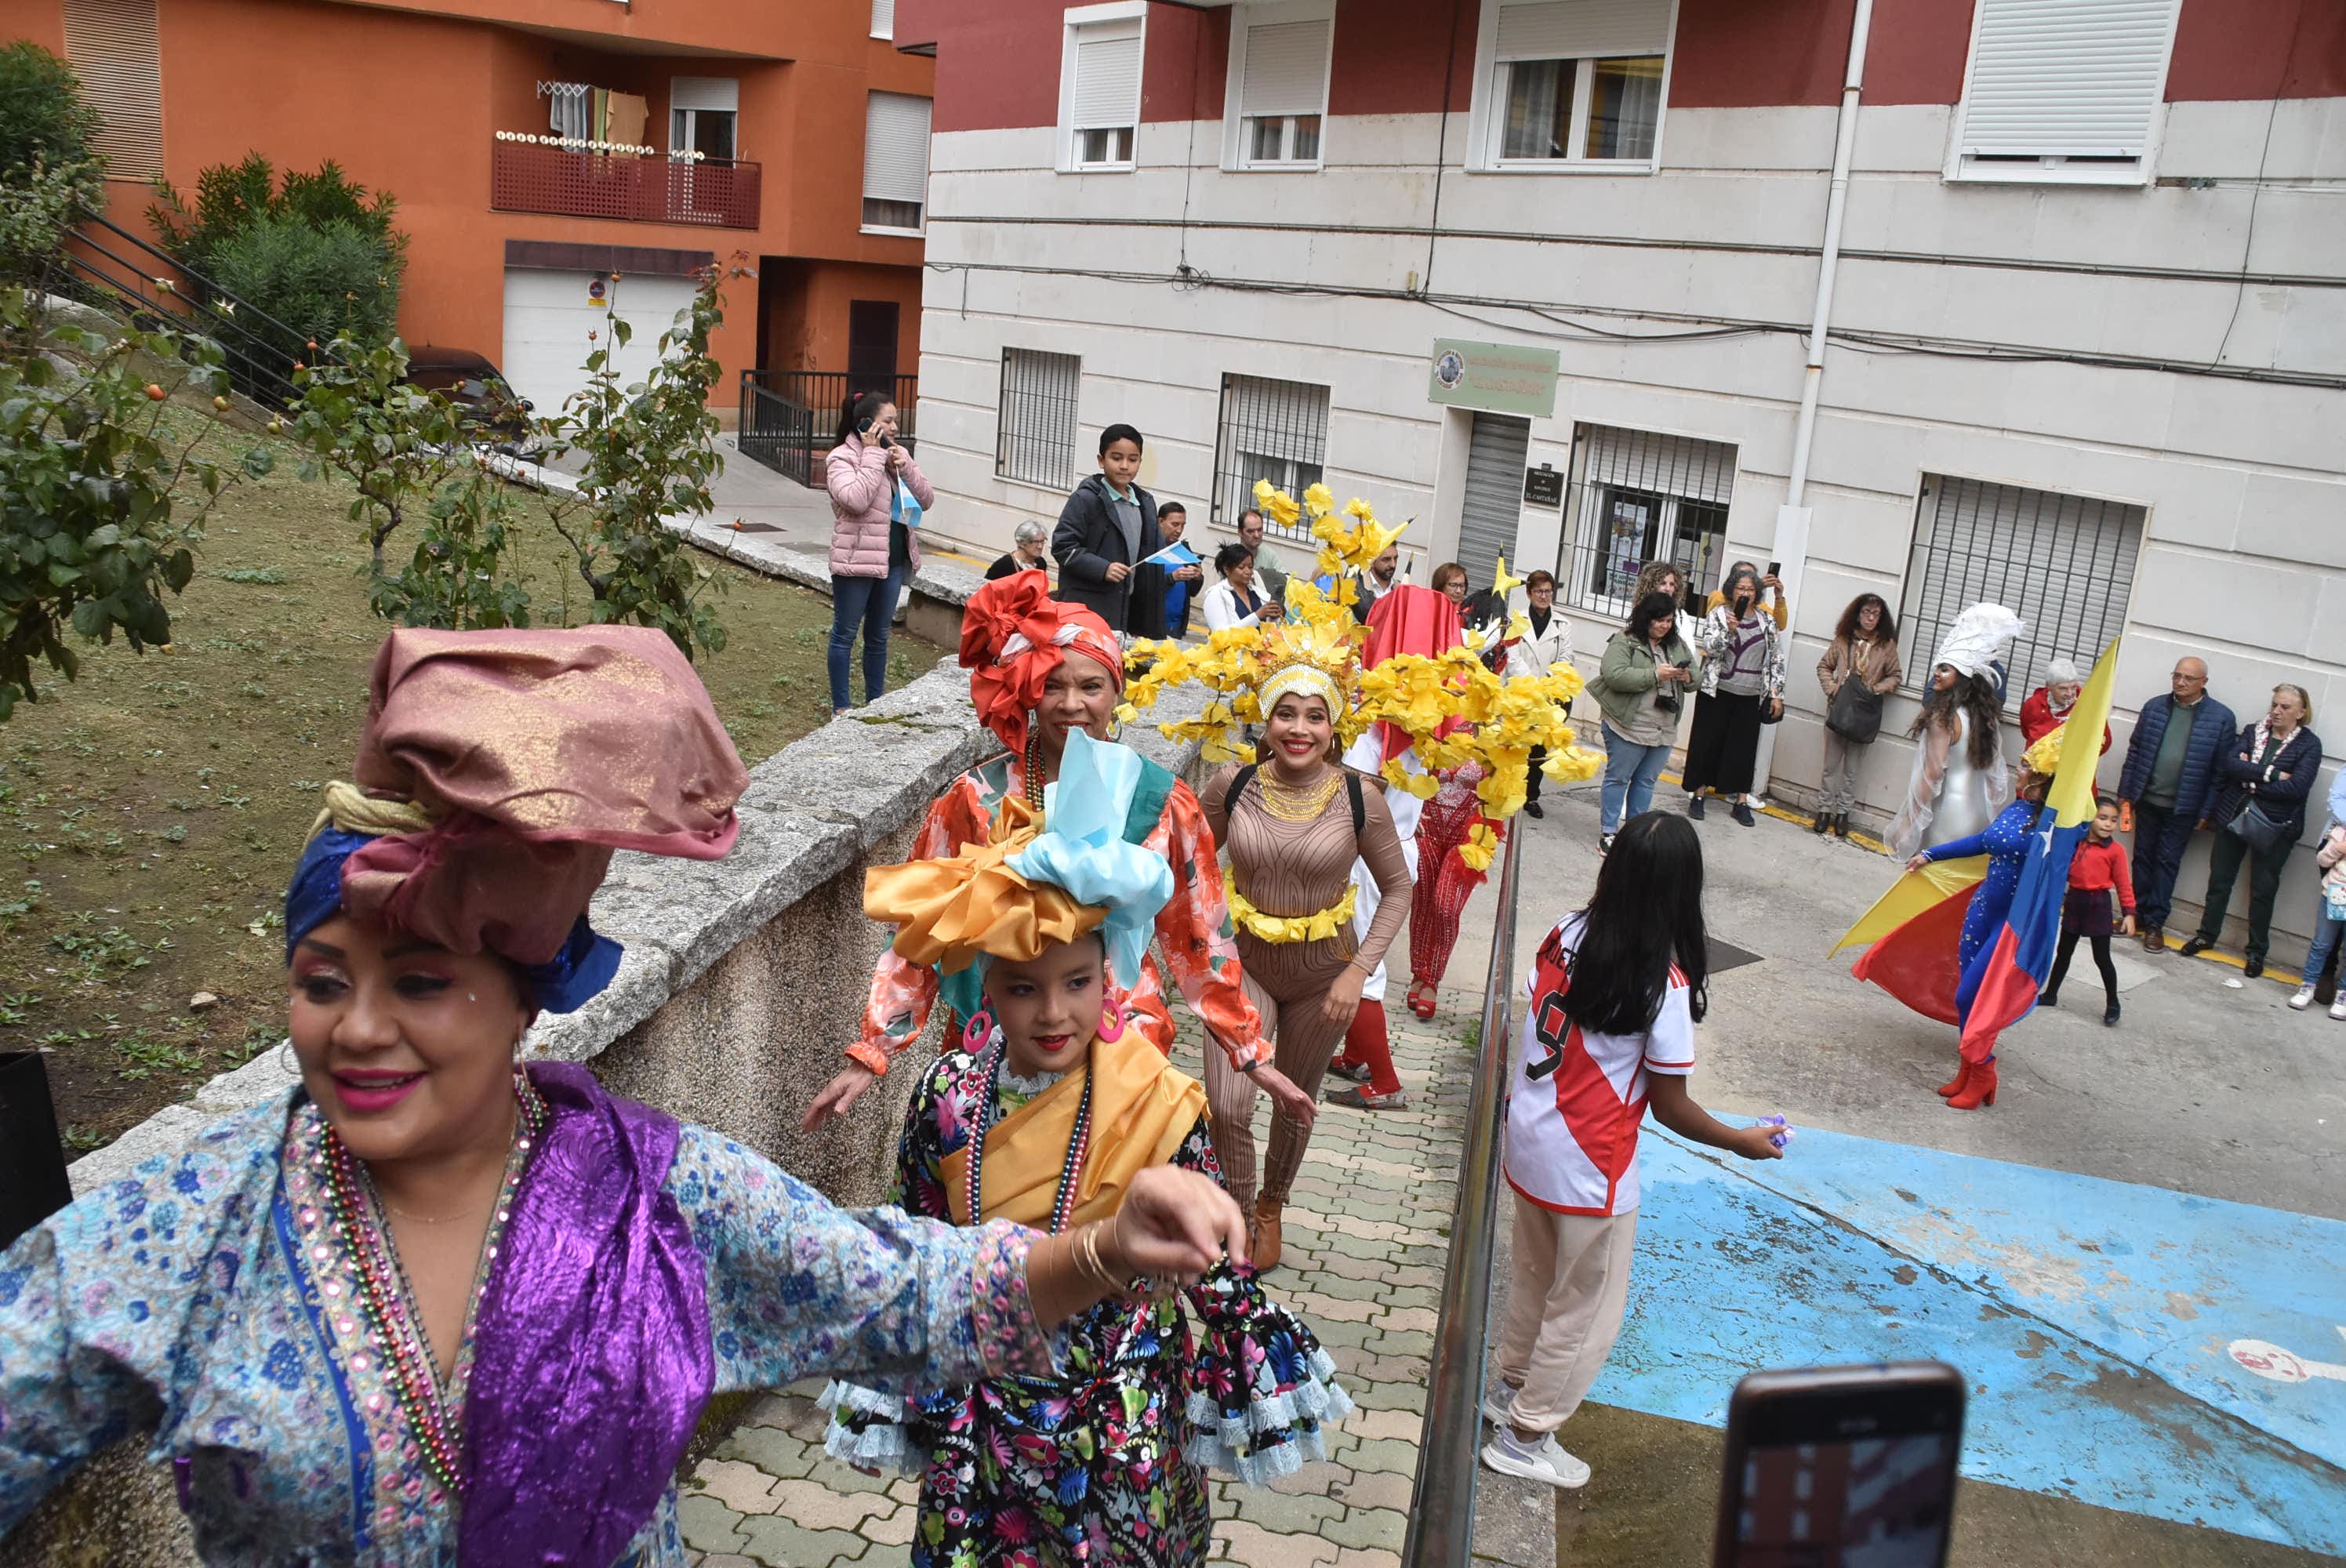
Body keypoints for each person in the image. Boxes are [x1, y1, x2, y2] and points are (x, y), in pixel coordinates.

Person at [0, 628, 1247, 1564]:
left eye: (421, 982)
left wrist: (1098, 1247)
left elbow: (894, 1285)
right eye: (322, 981)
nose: (357, 1030)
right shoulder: (189, 1226)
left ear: (524, 995)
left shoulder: (648, 1196)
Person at [826, 730, 1349, 1565]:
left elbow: (1211, 1266)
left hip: (1122, 1419)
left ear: (1110, 975)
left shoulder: (1159, 1100)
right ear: (986, 986)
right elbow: (918, 1244)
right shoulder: (949, 1095)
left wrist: (1253, 1365)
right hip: (983, 1413)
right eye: (1023, 987)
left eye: (1075, 981)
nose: (1051, 1012)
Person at [804, 572, 1318, 1142]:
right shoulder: (974, 799)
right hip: (997, 1040)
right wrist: (872, 1051)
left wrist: (1250, 1051)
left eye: (1092, 686)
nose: (1072, 704)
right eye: (1052, 685)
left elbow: (1201, 937)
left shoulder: (1163, 802)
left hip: (1124, 1041)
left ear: (1117, 691)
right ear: (1026, 690)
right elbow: (922, 930)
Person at [1483, 811, 1787, 1491]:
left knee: (1534, 1275)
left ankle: (1509, 1390)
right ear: (1683, 890)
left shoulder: (1565, 930)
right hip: (1593, 1165)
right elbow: (1672, 1107)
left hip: (1529, 1138)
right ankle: (1527, 1435)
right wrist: (1743, 1141)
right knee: (1586, 1308)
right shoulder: (1663, 982)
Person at [1201, 639, 1414, 1266]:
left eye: (1314, 715)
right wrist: (1204, 950)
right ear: (1266, 720)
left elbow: (1399, 888)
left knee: (1295, 1102)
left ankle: (1271, 1205)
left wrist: (1358, 973)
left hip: (1326, 980)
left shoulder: (1359, 798)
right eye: (1286, 713)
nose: (1299, 728)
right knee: (1228, 1103)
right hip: (1246, 971)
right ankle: (1235, 1214)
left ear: (1333, 725)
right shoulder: (1231, 785)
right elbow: (1184, 868)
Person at [1325, 586, 1458, 1112]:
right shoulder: (1426, 715)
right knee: (1365, 958)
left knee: (1360, 968)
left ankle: (1384, 1083)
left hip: (1369, 856)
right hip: (1398, 850)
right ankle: (1355, 1057)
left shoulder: (1382, 725)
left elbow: (1359, 795)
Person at [1904, 742, 2060, 1111]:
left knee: (1971, 996)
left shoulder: (2058, 822)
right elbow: (1984, 842)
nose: (2017, 767)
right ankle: (1969, 1072)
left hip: (2012, 926)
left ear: (2042, 777)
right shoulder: (2018, 807)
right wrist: (1930, 854)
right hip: (1982, 913)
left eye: (2025, 764)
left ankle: (1984, 1071)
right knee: (1969, 1000)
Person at [2177, 684, 2322, 980]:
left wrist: (2252, 774)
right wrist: (2271, 774)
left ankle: (2256, 952)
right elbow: (2230, 766)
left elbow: (2296, 788)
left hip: (2276, 826)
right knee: (2220, 879)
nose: (2277, 711)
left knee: (2263, 890)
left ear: (2301, 713)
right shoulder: (2253, 731)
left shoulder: (2309, 745)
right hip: (2235, 814)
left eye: (2285, 707)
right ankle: (2207, 935)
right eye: (2275, 704)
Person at [2116, 657, 2238, 953]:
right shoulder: (2155, 707)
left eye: (2189, 678)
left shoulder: (2221, 717)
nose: (2180, 682)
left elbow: (2220, 772)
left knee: (2167, 863)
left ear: (2203, 683)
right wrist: (2126, 793)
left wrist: (2207, 811)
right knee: (2142, 858)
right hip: (2147, 799)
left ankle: (2155, 923)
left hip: (2184, 807)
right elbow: (2135, 751)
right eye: (2177, 676)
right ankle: (2136, 916)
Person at [1885, 604, 2025, 860]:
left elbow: (1932, 772)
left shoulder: (1943, 717)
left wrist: (1908, 820)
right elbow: (1994, 776)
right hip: (1978, 815)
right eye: (1938, 667)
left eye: (1944, 669)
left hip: (1947, 816)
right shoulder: (1982, 717)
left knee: (1929, 889)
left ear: (1962, 676)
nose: (1936, 674)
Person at [826, 390, 935, 714]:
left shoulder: (895, 456)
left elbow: (926, 500)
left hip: (892, 562)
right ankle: (842, 706)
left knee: (879, 637)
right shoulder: (841, 458)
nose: (895, 427)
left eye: (897, 421)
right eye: (888, 420)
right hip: (855, 562)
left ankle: (875, 702)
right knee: (845, 634)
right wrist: (874, 456)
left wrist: (906, 467)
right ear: (866, 424)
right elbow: (855, 500)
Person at [1589, 591, 1695, 855]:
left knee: (1646, 782)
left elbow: (1698, 676)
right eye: (1659, 620)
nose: (1664, 626)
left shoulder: (1676, 644)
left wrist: (1686, 677)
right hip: (1628, 725)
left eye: (1669, 621)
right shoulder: (1626, 641)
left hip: (1664, 727)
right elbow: (1614, 675)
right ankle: (1609, 833)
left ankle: (1636, 833)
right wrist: (1655, 675)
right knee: (1618, 778)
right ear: (1646, 618)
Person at [1683, 564, 1786, 827]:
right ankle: (1698, 794)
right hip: (1716, 692)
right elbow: (1710, 649)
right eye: (1741, 588)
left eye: (1751, 590)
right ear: (1732, 590)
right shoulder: (1718, 614)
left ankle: (1741, 801)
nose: (1746, 594)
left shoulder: (1767, 621)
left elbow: (1776, 658)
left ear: (1757, 593)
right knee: (1708, 743)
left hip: (1750, 695)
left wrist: (1776, 694)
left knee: (1744, 749)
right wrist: (1729, 630)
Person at [1052, 423, 1165, 637]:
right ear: (1101, 460)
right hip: (1089, 609)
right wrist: (1103, 568)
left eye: (1132, 460)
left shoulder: (1145, 503)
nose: (1124, 466)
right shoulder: (1086, 499)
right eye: (1116, 458)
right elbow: (1063, 547)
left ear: (1140, 462)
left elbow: (1151, 553)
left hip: (1129, 611)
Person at [1814, 593, 1903, 840]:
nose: (1871, 618)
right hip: (1838, 709)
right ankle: (1824, 810)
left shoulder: (1887, 645)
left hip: (1864, 713)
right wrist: (1833, 689)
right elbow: (1824, 666)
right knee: (1831, 766)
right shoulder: (1843, 639)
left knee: (1852, 769)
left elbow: (1895, 676)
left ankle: (1843, 814)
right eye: (1867, 612)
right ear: (1858, 613)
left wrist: (1876, 689)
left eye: (1876, 614)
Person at [2040, 797, 2136, 1026]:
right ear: (2090, 818)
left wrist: (2129, 913)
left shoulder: (2116, 851)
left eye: (2113, 820)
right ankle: (2051, 994)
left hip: (2099, 904)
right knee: (2064, 952)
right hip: (2075, 900)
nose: (2108, 824)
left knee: (2102, 958)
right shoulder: (2075, 842)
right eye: (2102, 818)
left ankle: (2113, 1002)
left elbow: (2124, 884)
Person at [1505, 570, 1574, 819]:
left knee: (1538, 749)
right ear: (1529, 593)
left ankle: (1531, 796)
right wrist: (1532, 686)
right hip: (1520, 694)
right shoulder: (1516, 622)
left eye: (1548, 591)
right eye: (1539, 591)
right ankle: (1507, 790)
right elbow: (1511, 658)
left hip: (1548, 698)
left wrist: (1547, 687)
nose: (1544, 596)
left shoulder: (1563, 625)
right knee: (1514, 744)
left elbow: (1566, 660)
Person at [2290, 806, 2346, 1018]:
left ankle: (2343, 995)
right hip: (2335, 894)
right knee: (2322, 943)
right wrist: (2339, 848)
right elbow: (2322, 860)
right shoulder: (2340, 831)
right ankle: (2308, 986)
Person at [2021, 658, 2111, 754]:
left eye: (2073, 687)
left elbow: (2104, 742)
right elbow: (2026, 732)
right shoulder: (2033, 704)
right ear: (2049, 686)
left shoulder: (2089, 706)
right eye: (2063, 688)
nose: (2070, 693)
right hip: (2035, 765)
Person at [1151, 500, 1205, 638]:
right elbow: (1144, 585)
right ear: (1160, 521)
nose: (1179, 530)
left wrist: (1197, 576)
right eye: (1175, 524)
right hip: (1151, 623)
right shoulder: (1149, 548)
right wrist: (1172, 577)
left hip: (1176, 626)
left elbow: (1193, 592)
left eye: (1182, 525)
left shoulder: (1183, 549)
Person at [1200, 543, 1270, 632]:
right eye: (1241, 567)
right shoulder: (1216, 595)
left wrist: (1275, 617)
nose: (1248, 571)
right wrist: (1257, 616)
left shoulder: (1258, 594)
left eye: (1250, 567)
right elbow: (1220, 634)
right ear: (1227, 569)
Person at [1701, 558, 1789, 630]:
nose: (1747, 580)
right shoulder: (1717, 596)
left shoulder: (1759, 607)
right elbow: (1723, 602)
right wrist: (1758, 586)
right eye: (1742, 575)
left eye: (1752, 577)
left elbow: (1779, 626)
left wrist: (1779, 598)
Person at [1237, 507, 1291, 604]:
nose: (1257, 535)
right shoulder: (1230, 556)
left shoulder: (1270, 554)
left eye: (1260, 530)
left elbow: (1285, 580)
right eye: (1250, 531)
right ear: (1240, 532)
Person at [985, 519, 1051, 581]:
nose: (1040, 546)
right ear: (1022, 543)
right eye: (1035, 542)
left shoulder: (1041, 563)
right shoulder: (1004, 564)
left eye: (1042, 541)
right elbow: (986, 589)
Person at [1354, 542, 1403, 622]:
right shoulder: (1357, 590)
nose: (1393, 565)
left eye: (1395, 558)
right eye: (1386, 559)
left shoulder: (1401, 589)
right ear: (1372, 562)